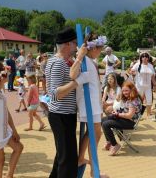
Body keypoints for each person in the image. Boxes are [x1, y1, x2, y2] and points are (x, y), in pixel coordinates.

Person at [45, 27, 90, 178]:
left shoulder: (57, 61)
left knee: (62, 156)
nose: (76, 47)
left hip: (62, 114)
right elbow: (55, 94)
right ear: (66, 44)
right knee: (68, 160)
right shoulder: (58, 63)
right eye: (74, 43)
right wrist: (78, 82)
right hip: (61, 115)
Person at [70, 33, 109, 178]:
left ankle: (84, 161)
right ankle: (93, 170)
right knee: (94, 134)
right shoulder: (83, 59)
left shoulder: (91, 60)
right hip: (88, 104)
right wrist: (79, 57)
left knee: (94, 133)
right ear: (93, 48)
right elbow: (72, 75)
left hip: (94, 103)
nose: (100, 51)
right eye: (99, 49)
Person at [101, 81, 142, 156]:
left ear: (131, 90)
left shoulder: (134, 100)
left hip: (130, 122)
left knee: (106, 124)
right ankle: (109, 141)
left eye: (126, 90)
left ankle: (115, 145)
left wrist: (118, 114)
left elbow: (130, 115)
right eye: (123, 90)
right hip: (125, 119)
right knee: (103, 120)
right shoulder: (129, 98)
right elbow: (118, 101)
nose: (124, 92)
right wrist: (117, 113)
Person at [131, 52, 156, 119]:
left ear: (148, 58)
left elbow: (153, 76)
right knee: (138, 100)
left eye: (146, 56)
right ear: (141, 58)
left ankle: (149, 114)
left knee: (149, 100)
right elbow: (130, 71)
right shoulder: (137, 64)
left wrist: (154, 85)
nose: (144, 58)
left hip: (148, 86)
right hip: (139, 86)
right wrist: (133, 73)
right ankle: (137, 114)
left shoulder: (150, 66)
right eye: (143, 56)